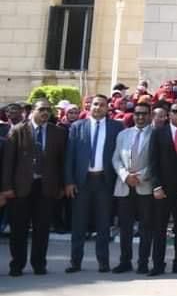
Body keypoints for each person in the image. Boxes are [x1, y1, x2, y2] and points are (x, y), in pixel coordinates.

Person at [1, 100, 66, 276]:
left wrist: (61, 185)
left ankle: (39, 264)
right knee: (18, 229)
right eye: (41, 109)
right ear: (32, 111)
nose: (45, 112)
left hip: (46, 187)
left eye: (48, 110)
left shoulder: (58, 132)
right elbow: (8, 162)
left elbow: (61, 162)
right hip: (21, 188)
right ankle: (17, 265)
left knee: (42, 229)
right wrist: (6, 187)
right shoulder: (18, 130)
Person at [63, 94, 122, 273]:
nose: (98, 107)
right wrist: (69, 181)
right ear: (89, 106)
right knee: (78, 224)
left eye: (102, 105)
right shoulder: (77, 126)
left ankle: (103, 262)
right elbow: (69, 157)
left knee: (103, 224)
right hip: (82, 182)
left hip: (104, 181)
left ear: (107, 108)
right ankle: (75, 262)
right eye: (95, 104)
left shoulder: (116, 127)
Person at [146, 102, 177, 276]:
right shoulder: (158, 133)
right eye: (175, 111)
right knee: (159, 228)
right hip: (163, 189)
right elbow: (152, 161)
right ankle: (158, 265)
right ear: (169, 114)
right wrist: (156, 186)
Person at [111, 100, 154, 274]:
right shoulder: (123, 134)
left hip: (145, 186)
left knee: (146, 227)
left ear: (150, 116)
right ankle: (125, 261)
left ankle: (143, 262)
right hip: (124, 186)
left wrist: (140, 176)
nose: (140, 117)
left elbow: (156, 161)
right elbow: (116, 158)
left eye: (144, 114)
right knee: (125, 227)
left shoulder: (156, 134)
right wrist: (125, 176)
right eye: (137, 114)